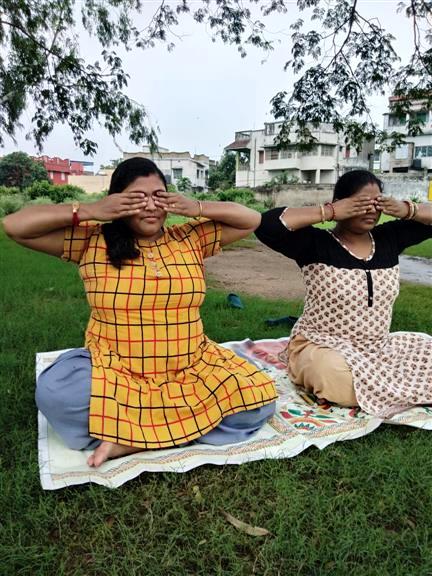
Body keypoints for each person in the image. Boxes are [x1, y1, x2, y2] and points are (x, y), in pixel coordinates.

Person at [3, 157, 276, 467]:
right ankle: (181, 427)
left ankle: (129, 439)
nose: (150, 206)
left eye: (158, 196)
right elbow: (15, 226)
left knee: (257, 400)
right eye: (137, 198)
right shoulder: (91, 241)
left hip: (189, 368)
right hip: (117, 371)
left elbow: (251, 219)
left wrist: (195, 207)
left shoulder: (189, 238)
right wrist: (90, 210)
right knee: (56, 393)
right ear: (117, 201)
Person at [255, 169, 432, 418]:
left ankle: (381, 388)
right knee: (331, 373)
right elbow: (266, 225)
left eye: (377, 203)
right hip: (322, 346)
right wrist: (329, 211)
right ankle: (396, 389)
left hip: (377, 349)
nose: (371, 210)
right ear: (341, 203)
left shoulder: (388, 238)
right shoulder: (316, 243)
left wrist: (407, 209)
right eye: (361, 203)